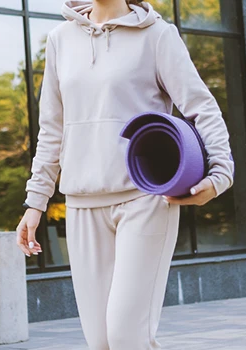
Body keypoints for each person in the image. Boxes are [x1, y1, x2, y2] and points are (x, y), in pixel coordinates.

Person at [16, 0, 234, 349]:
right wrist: (35, 202)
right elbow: (52, 129)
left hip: (145, 200)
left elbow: (200, 106)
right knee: (100, 341)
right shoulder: (60, 39)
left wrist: (221, 173)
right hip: (81, 205)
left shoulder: (158, 35)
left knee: (125, 337)